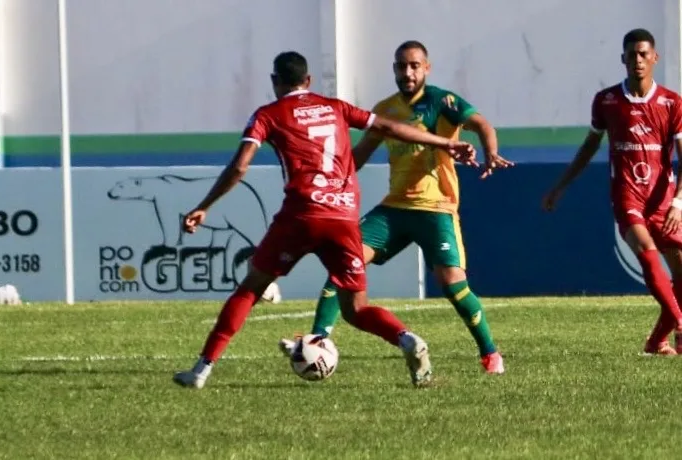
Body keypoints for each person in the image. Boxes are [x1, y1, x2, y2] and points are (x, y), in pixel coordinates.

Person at [172, 51, 478, 389]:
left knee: (251, 288)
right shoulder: (337, 107)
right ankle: (406, 339)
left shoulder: (268, 114)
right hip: (344, 216)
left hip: (302, 214)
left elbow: (240, 165)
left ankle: (201, 370)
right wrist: (445, 143)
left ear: (275, 82)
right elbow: (392, 128)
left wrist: (206, 205)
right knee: (356, 309)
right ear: (308, 81)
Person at [278, 40, 512, 374]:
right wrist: (329, 179)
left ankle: (490, 354)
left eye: (414, 66)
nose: (408, 72)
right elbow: (358, 155)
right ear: (394, 69)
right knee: (345, 264)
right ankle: (316, 340)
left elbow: (482, 124)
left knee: (453, 283)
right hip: (395, 209)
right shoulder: (385, 109)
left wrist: (490, 150)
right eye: (401, 66)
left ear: (426, 68)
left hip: (435, 208)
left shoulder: (442, 102)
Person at [543, 28, 682, 355]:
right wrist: (560, 186)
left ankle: (656, 340)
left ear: (654, 58)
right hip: (627, 195)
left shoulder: (671, 102)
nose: (637, 60)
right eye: (631, 54)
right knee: (646, 251)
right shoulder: (607, 101)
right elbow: (589, 147)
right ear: (622, 58)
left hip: (663, 199)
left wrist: (677, 202)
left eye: (643, 54)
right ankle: (679, 322)